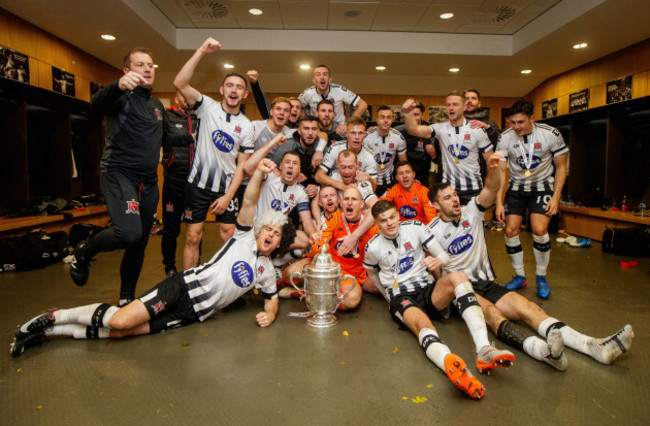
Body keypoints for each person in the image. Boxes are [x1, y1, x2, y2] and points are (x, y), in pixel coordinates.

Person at [11, 160, 295, 358]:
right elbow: (248, 201)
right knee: (121, 321)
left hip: (192, 315)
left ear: (280, 243)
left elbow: (271, 297)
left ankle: (49, 333)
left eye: (276, 233)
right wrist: (258, 172)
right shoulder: (243, 236)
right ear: (260, 230)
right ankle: (54, 317)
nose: (270, 233)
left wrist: (269, 314)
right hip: (182, 288)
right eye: (268, 228)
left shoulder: (266, 269)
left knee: (122, 333)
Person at [427, 152, 634, 367]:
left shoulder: (472, 211)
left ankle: (592, 346)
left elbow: (490, 188)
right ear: (435, 205)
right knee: (493, 313)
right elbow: (434, 273)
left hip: (485, 283)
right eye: (448, 198)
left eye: (454, 195)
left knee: (529, 308)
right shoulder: (431, 232)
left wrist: (492, 168)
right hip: (463, 289)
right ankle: (541, 352)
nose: (455, 199)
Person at [69, 47, 189, 306]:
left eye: (150, 65)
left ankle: (126, 297)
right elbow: (95, 105)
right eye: (140, 65)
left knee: (139, 242)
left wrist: (191, 137)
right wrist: (118, 85)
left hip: (148, 182)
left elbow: (162, 138)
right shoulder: (119, 97)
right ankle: (84, 250)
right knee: (129, 233)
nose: (147, 69)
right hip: (120, 175)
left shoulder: (156, 105)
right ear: (127, 71)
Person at [364, 200, 515, 399]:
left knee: (459, 278)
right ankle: (450, 364)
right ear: (376, 222)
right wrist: (387, 296)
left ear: (398, 214)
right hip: (402, 296)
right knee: (422, 324)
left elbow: (444, 257)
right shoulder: (372, 246)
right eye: (383, 221)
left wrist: (437, 260)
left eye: (392, 217)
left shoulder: (416, 227)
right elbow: (372, 273)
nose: (390, 223)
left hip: (427, 288)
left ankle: (483, 349)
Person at [173, 37, 254, 270]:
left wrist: (229, 196)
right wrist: (201, 51)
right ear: (222, 90)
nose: (234, 90)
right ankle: (189, 285)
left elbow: (243, 166)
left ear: (244, 95)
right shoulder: (206, 106)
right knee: (192, 236)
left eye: (239, 87)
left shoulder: (247, 126)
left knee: (229, 236)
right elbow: (179, 82)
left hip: (226, 188)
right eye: (230, 85)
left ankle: (226, 285)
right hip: (197, 184)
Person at [494, 99, 568, 298]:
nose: (516, 127)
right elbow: (501, 172)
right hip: (516, 189)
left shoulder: (550, 134)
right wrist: (499, 202)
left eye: (520, 122)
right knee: (510, 231)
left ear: (532, 119)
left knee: (539, 229)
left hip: (542, 187)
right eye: (512, 122)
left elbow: (561, 167)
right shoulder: (505, 137)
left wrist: (556, 197)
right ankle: (520, 276)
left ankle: (541, 277)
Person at [284, 186, 379, 309]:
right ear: (341, 202)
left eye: (354, 199)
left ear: (361, 204)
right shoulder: (335, 218)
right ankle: (317, 289)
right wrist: (316, 245)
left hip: (352, 274)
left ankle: (307, 293)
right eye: (346, 199)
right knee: (290, 273)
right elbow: (322, 243)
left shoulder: (369, 224)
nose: (349, 202)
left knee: (351, 300)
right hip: (329, 267)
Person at [403, 93, 493, 205]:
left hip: (473, 190)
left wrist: (489, 188)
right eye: (448, 105)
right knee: (449, 222)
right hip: (448, 190)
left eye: (455, 104)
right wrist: (407, 113)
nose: (451, 108)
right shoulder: (441, 128)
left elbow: (491, 161)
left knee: (471, 223)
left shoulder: (476, 129)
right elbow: (414, 130)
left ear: (464, 106)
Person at [161, 91, 197, 277]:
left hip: (195, 181)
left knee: (194, 228)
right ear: (176, 98)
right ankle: (169, 267)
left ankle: (193, 267)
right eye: (183, 96)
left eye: (189, 96)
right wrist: (188, 138)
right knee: (171, 229)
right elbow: (160, 138)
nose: (187, 99)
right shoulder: (166, 115)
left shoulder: (200, 116)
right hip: (174, 178)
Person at [298, 65, 367, 134]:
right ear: (314, 80)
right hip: (316, 131)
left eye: (325, 74)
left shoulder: (340, 90)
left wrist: (348, 124)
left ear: (330, 79)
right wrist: (306, 121)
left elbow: (362, 105)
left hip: (339, 131)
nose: (322, 77)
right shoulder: (308, 93)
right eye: (318, 75)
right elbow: (296, 106)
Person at [316, 116, 378, 191]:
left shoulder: (369, 156)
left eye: (360, 133)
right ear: (346, 134)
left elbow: (374, 188)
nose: (357, 137)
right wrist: (342, 186)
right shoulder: (335, 148)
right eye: (353, 133)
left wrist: (369, 178)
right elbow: (319, 176)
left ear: (364, 134)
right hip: (335, 190)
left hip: (357, 192)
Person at [363, 105, 407, 196]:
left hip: (389, 180)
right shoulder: (367, 138)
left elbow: (403, 162)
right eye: (382, 117)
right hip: (370, 178)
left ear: (392, 120)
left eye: (388, 117)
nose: (386, 120)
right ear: (377, 120)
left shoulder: (398, 137)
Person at [395, 100, 436, 187]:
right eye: (411, 114)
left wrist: (433, 154)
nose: (413, 118)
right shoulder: (398, 131)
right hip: (402, 176)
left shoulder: (430, 132)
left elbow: (436, 159)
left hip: (422, 177)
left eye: (416, 114)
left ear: (422, 116)